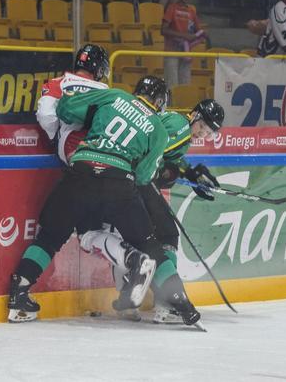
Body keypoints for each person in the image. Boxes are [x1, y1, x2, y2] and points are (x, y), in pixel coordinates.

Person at [8, 79, 205, 330]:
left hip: (81, 171)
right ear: (159, 103)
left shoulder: (114, 96)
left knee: (50, 236)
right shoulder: (158, 127)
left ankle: (19, 294)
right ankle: (180, 302)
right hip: (119, 182)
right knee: (149, 244)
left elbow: (67, 109)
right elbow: (145, 176)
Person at [82, 91, 225, 324]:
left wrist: (188, 171)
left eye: (209, 132)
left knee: (144, 239)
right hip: (135, 181)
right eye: (203, 126)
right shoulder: (181, 126)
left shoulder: (179, 126)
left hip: (130, 179)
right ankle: (167, 300)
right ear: (195, 115)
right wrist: (170, 171)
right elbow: (154, 152)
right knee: (164, 234)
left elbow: (166, 155)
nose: (203, 133)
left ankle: (139, 299)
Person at [37, 44, 111, 164]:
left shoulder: (57, 83)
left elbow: (46, 116)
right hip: (100, 149)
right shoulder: (104, 90)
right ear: (99, 69)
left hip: (68, 145)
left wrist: (55, 137)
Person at [162, 0, 206, 89]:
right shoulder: (171, 8)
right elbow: (163, 30)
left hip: (186, 53)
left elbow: (198, 30)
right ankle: (170, 106)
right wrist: (184, 36)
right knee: (172, 85)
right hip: (171, 51)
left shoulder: (192, 11)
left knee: (185, 85)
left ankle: (182, 106)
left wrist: (201, 35)